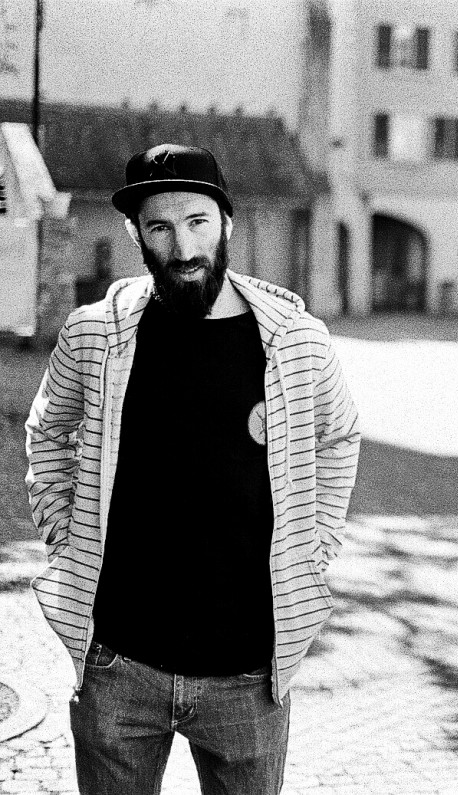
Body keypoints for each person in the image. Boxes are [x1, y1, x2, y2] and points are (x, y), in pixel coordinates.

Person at [25, 144, 361, 795]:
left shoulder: (296, 340)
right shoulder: (93, 336)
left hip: (248, 672)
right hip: (118, 663)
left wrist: (316, 544)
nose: (182, 247)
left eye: (197, 221)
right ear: (136, 235)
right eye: (160, 226)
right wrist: (64, 535)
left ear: (226, 222)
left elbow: (339, 433)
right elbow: (47, 430)